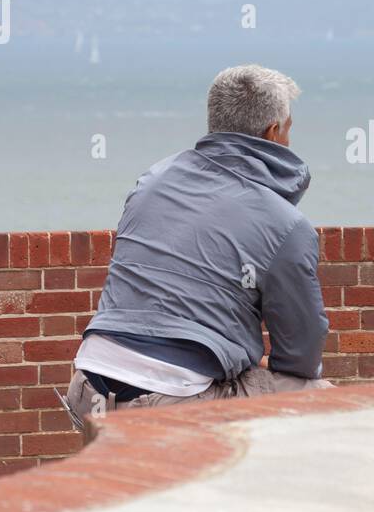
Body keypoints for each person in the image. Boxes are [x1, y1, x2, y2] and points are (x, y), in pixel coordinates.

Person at [62, 64, 332, 430]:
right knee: (320, 395)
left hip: (88, 388)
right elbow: (300, 354)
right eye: (288, 129)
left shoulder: (153, 181)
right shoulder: (286, 223)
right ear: (274, 131)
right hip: (168, 402)